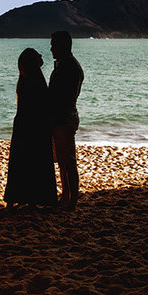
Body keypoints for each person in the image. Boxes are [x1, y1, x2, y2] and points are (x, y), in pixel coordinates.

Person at [3, 47, 57, 209]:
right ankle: (35, 198)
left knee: (20, 161)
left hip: (22, 124)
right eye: (38, 55)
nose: (42, 56)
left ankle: (15, 198)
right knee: (37, 161)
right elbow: (44, 104)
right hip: (36, 125)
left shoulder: (24, 79)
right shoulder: (36, 79)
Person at [48, 30, 84, 210]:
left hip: (64, 119)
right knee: (63, 161)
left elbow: (65, 96)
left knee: (68, 161)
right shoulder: (65, 65)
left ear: (63, 45)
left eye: (54, 44)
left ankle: (72, 200)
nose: (51, 48)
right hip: (61, 118)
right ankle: (66, 196)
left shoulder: (70, 67)